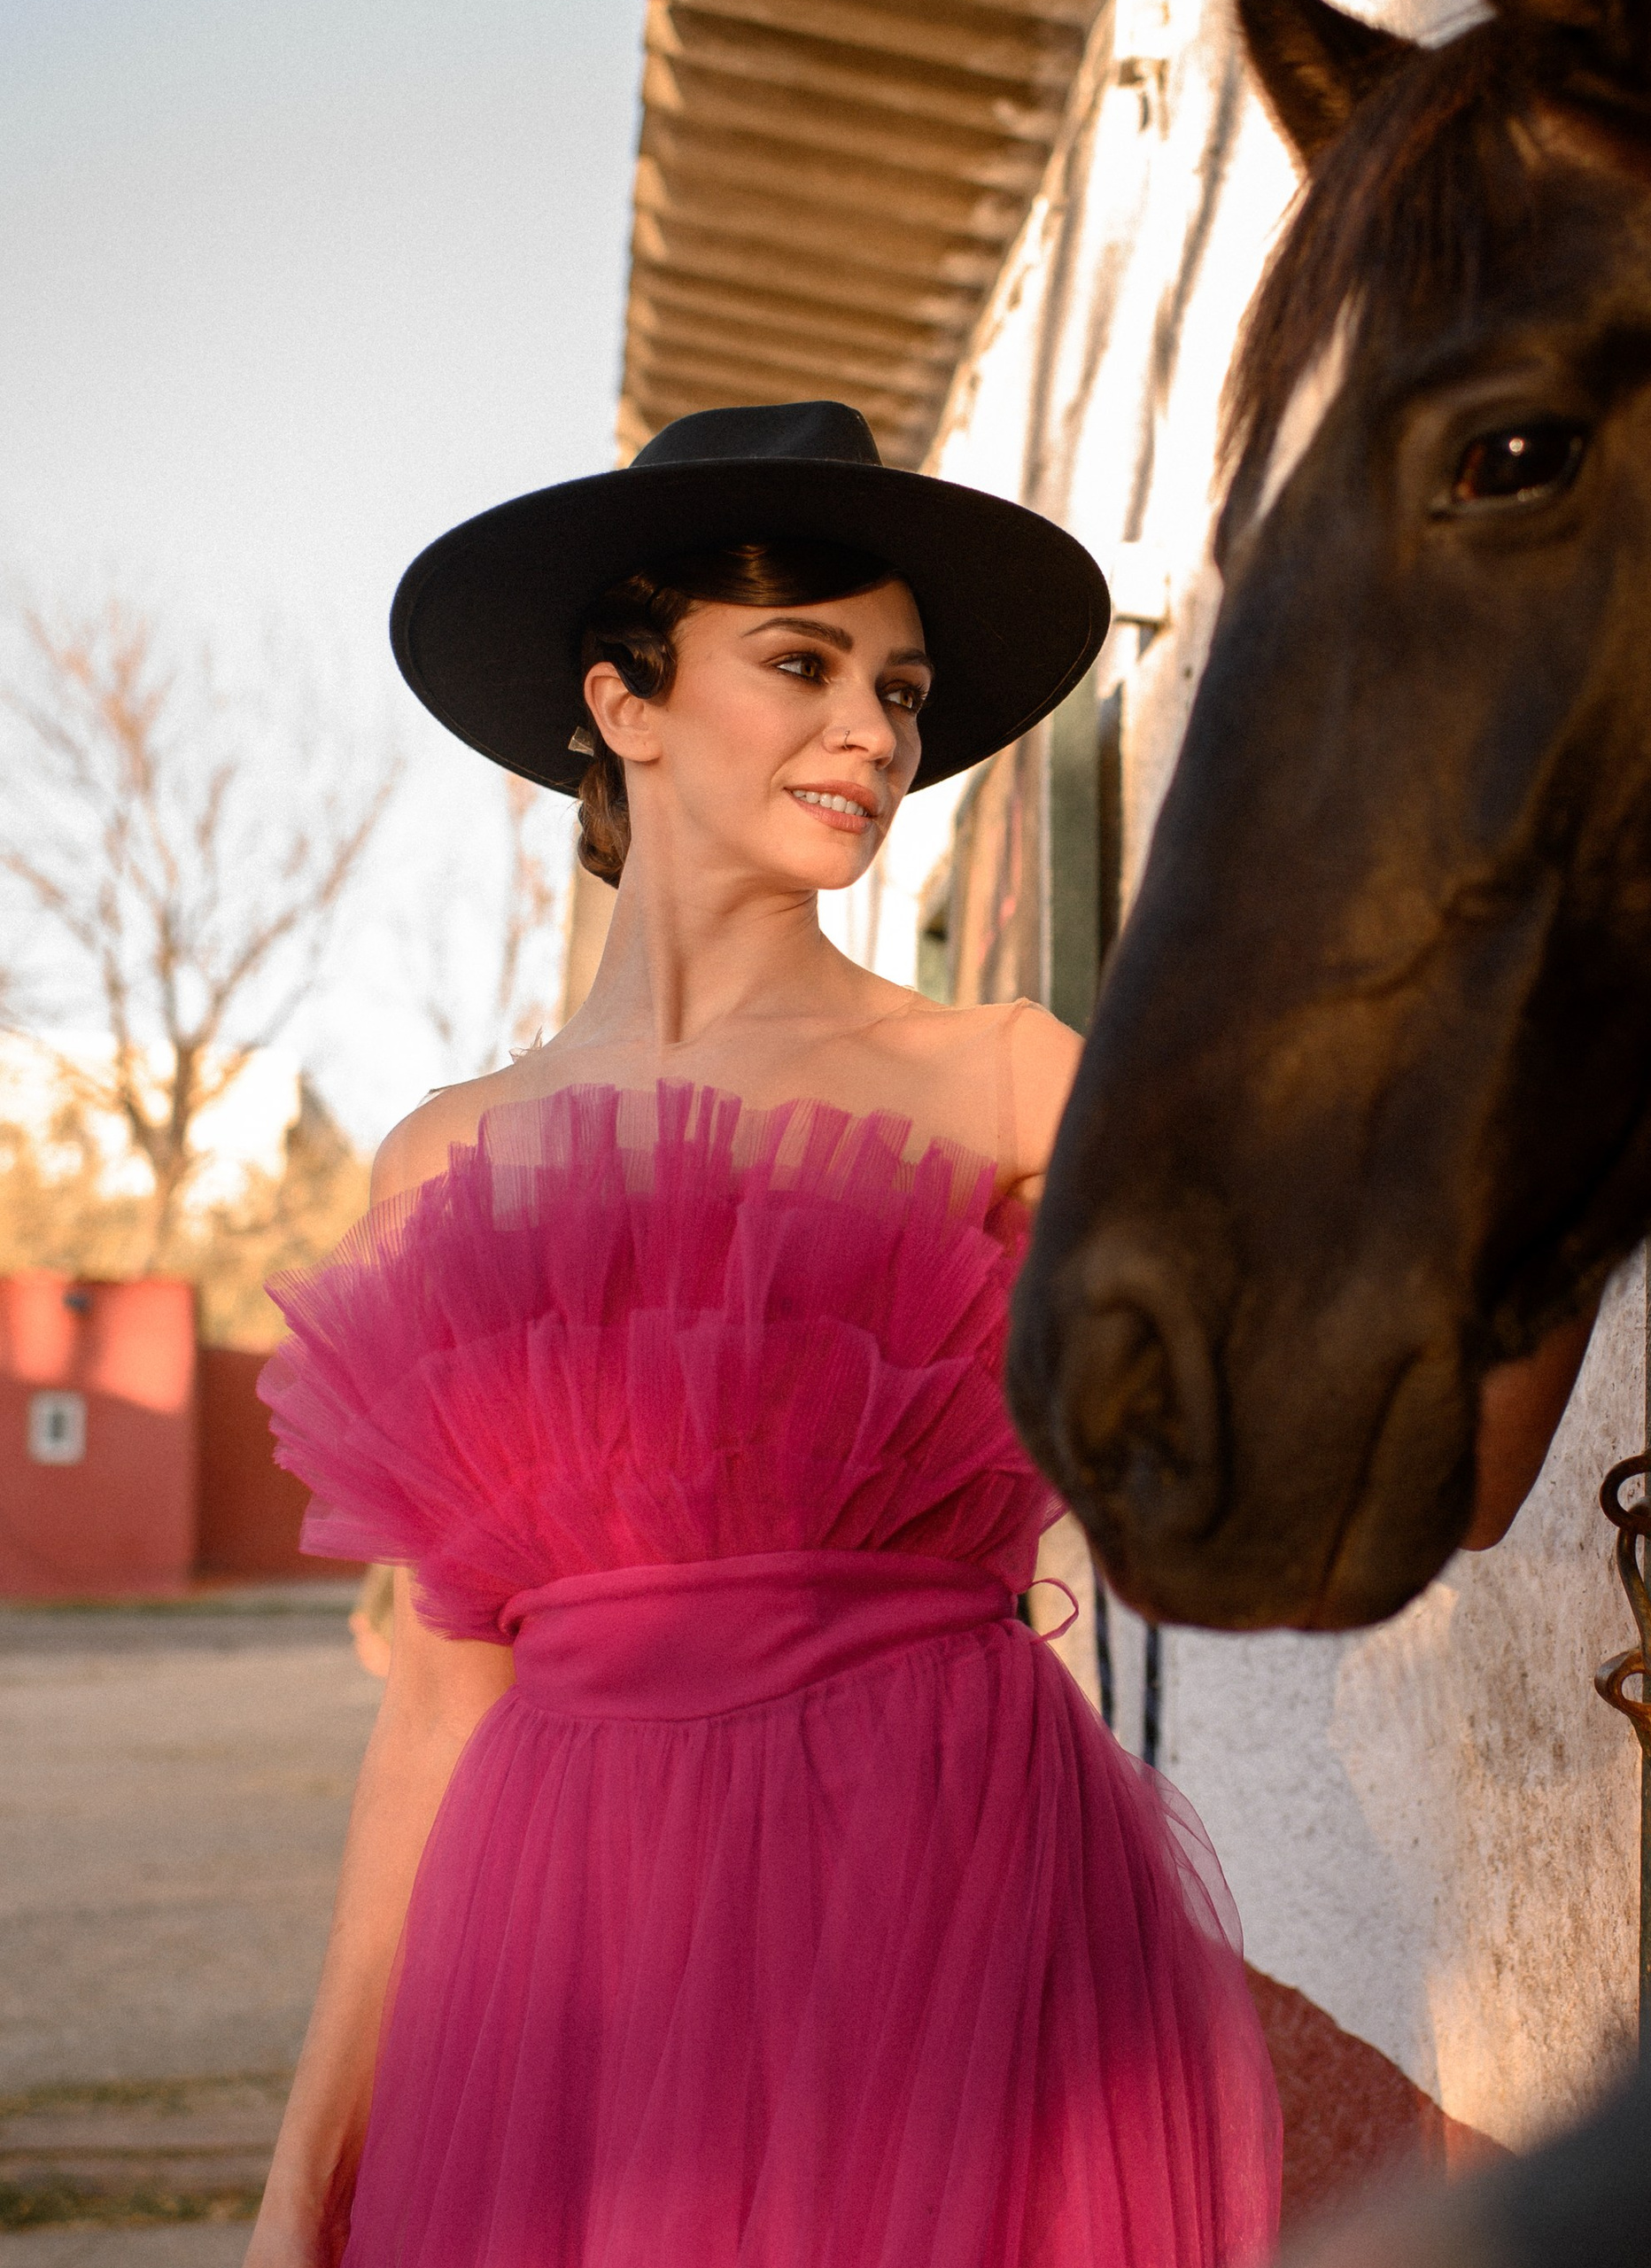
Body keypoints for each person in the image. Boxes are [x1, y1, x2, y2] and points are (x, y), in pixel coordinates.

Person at [246, 402, 1282, 2268]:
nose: (874, 733)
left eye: (900, 687)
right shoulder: (447, 1165)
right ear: (623, 700)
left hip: (938, 1888)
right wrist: (303, 2170)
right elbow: (435, 1705)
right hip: (563, 1933)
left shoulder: (1007, 1081)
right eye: (801, 664)